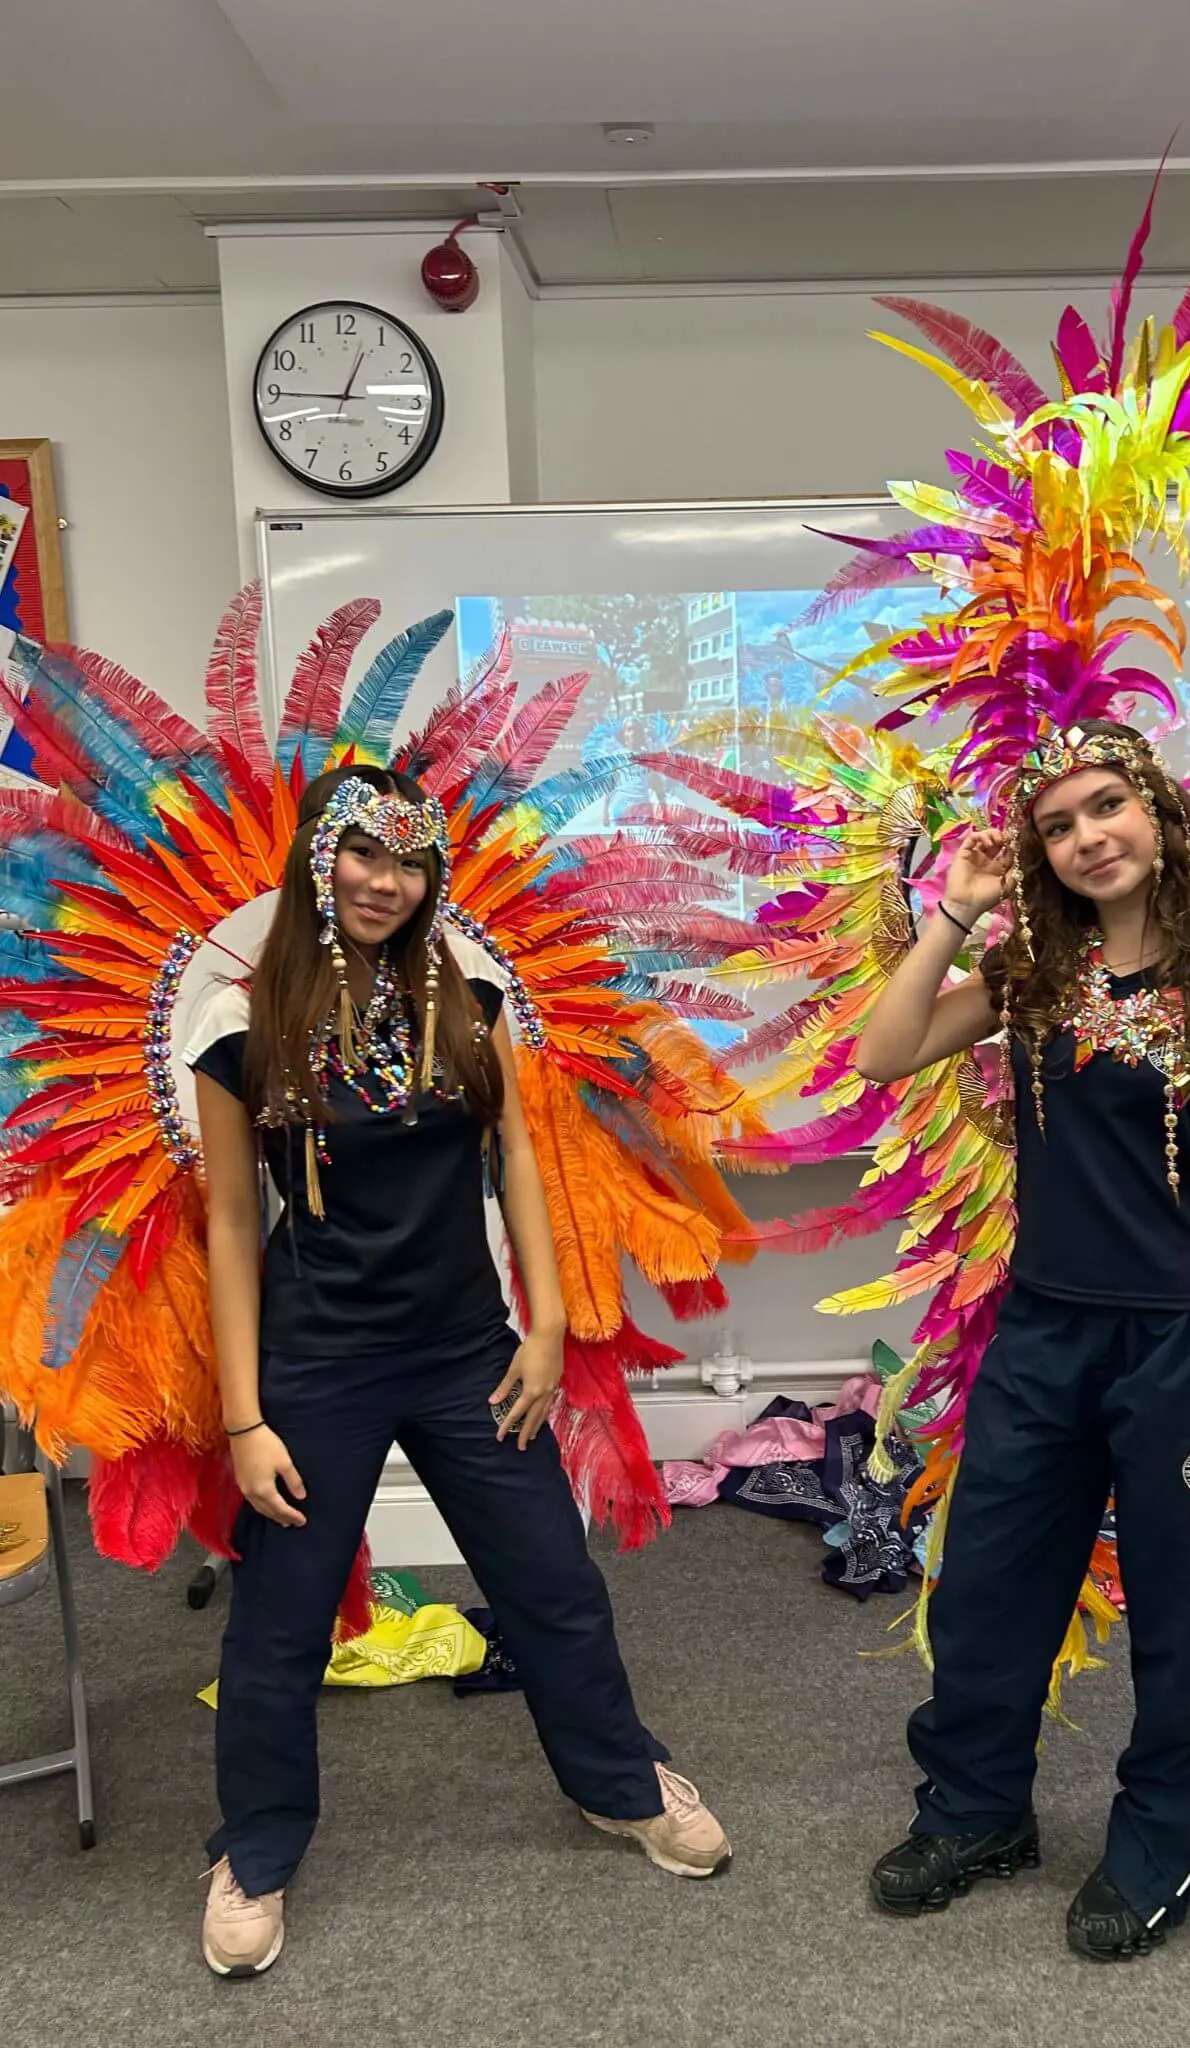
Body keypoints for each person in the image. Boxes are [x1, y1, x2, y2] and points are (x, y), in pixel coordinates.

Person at [186, 764, 729, 1980]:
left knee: (550, 1581)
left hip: (465, 1352)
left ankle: (618, 1782)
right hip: (315, 1363)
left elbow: (516, 1164)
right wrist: (242, 1416)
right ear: (318, 861)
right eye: (363, 853)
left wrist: (541, 1329)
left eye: (410, 860)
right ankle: (257, 1847)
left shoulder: (468, 1000)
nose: (386, 880)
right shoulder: (240, 1026)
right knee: (279, 1624)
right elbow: (230, 1220)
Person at [853, 720, 1190, 1960]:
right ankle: (975, 1811)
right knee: (990, 1591)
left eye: (1104, 806)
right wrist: (952, 911)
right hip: (1043, 1331)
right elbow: (882, 1050)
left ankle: (1163, 1838)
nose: (1084, 837)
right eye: (1055, 826)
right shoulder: (1029, 984)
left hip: (1188, 1347)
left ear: (1159, 815)